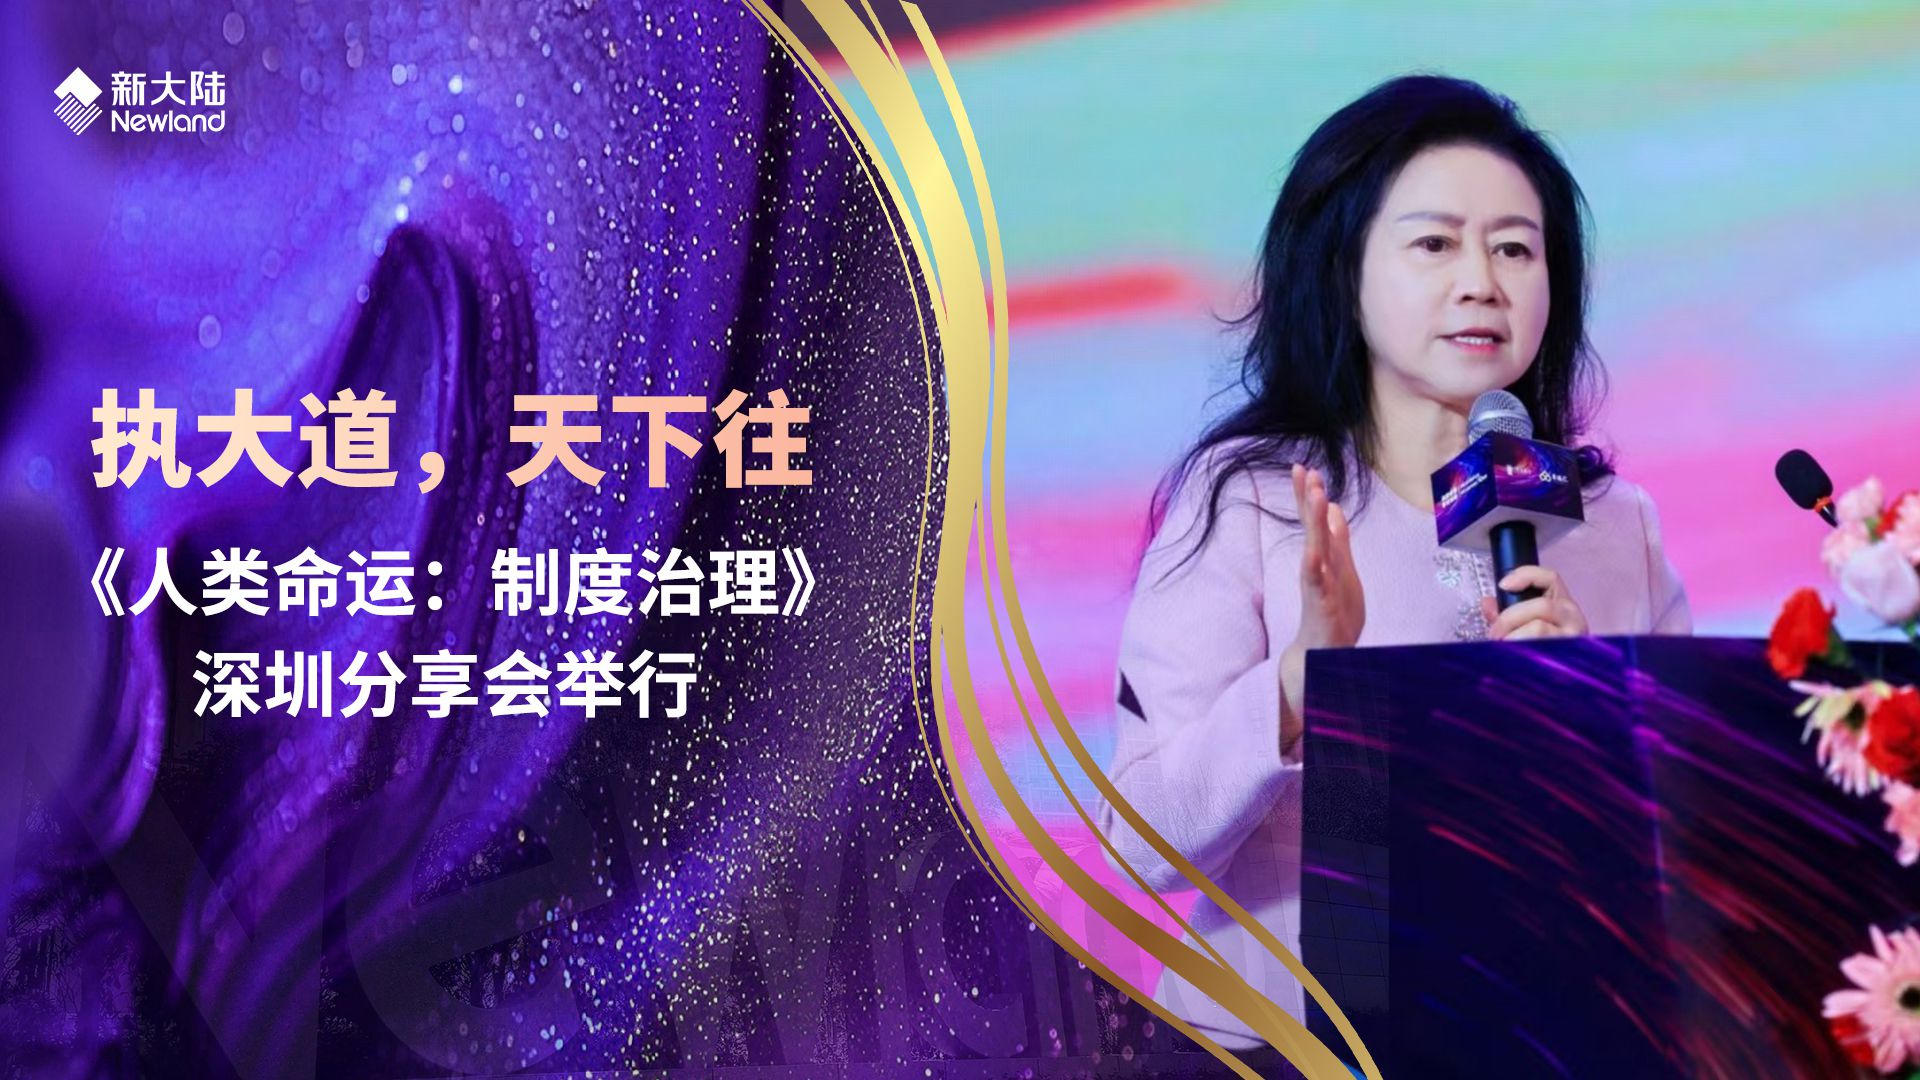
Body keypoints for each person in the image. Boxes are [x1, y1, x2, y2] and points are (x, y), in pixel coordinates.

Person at [1095, 74, 1692, 1059]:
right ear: (1345, 270)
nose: (1482, 282)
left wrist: (1592, 719)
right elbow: (1140, 844)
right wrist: (1297, 682)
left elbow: (1690, 848)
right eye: (1435, 244)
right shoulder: (1251, 499)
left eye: (1515, 248)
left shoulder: (1611, 524)